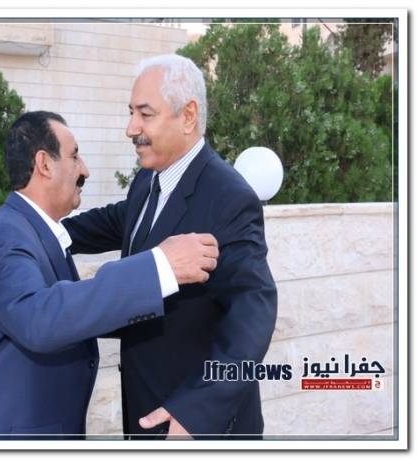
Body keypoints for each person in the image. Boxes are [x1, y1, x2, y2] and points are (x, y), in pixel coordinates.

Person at [0, 111, 219, 439]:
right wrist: (159, 267)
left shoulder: (37, 234)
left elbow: (74, 314)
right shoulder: (5, 235)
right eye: (75, 156)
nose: (85, 169)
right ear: (44, 164)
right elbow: (41, 318)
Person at [63, 54, 278, 439]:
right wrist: (46, 229)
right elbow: (118, 220)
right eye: (131, 113)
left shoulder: (230, 197)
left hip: (194, 428)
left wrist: (198, 410)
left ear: (188, 116)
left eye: (145, 114)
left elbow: (253, 317)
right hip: (145, 415)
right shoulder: (147, 181)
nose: (131, 128)